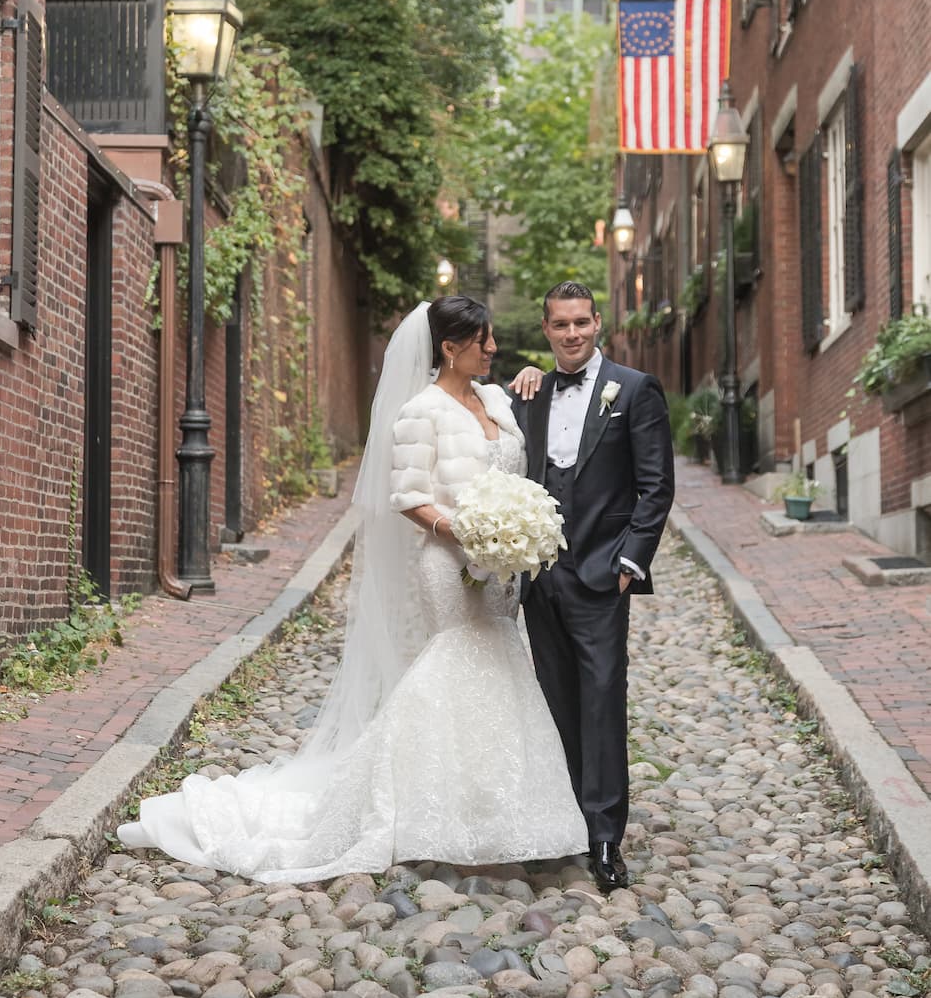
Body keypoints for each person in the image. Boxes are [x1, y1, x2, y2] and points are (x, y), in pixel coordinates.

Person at [117, 296, 588, 882]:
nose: (493, 348)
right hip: (451, 563)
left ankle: (493, 813)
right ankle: (414, 806)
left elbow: (536, 433)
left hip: (503, 570)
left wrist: (513, 532)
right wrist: (465, 532)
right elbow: (410, 497)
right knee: (456, 665)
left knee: (500, 668)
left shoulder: (496, 398)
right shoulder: (420, 412)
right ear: (449, 347)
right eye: (483, 340)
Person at [508, 281, 675, 891]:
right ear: (546, 329)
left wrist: (631, 562)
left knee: (602, 699)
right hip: (538, 574)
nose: (572, 333)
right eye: (560, 325)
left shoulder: (633, 390)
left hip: (603, 574)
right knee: (554, 700)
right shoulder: (527, 392)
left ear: (597, 323)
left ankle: (605, 836)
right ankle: (564, 823)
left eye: (582, 322)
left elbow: (656, 486)